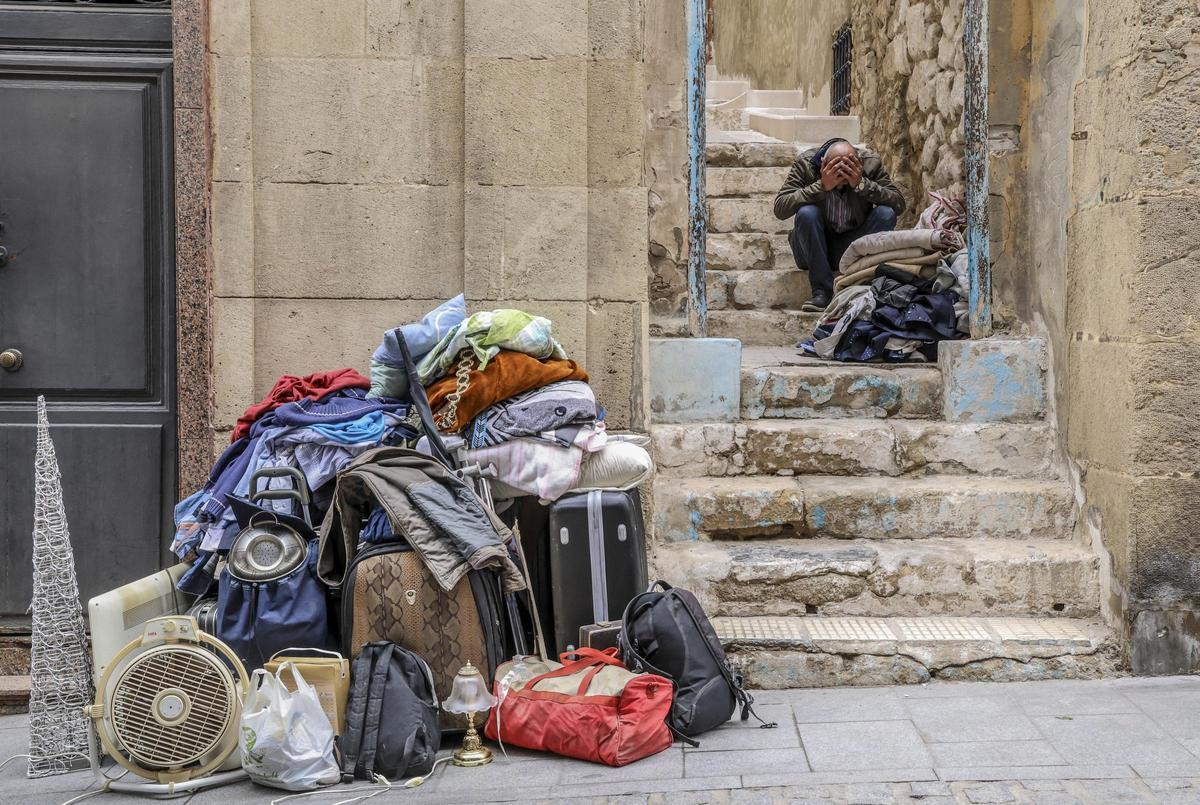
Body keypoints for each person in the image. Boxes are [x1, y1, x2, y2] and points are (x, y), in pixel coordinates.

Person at [773, 138, 906, 312]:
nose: (842, 174)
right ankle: (821, 292)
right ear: (822, 164)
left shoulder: (870, 164)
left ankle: (862, 283)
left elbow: (898, 204)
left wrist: (862, 184)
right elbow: (780, 208)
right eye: (836, 169)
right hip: (812, 249)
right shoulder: (805, 164)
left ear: (858, 163)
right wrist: (821, 186)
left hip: (854, 248)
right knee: (807, 213)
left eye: (848, 167)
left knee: (885, 213)